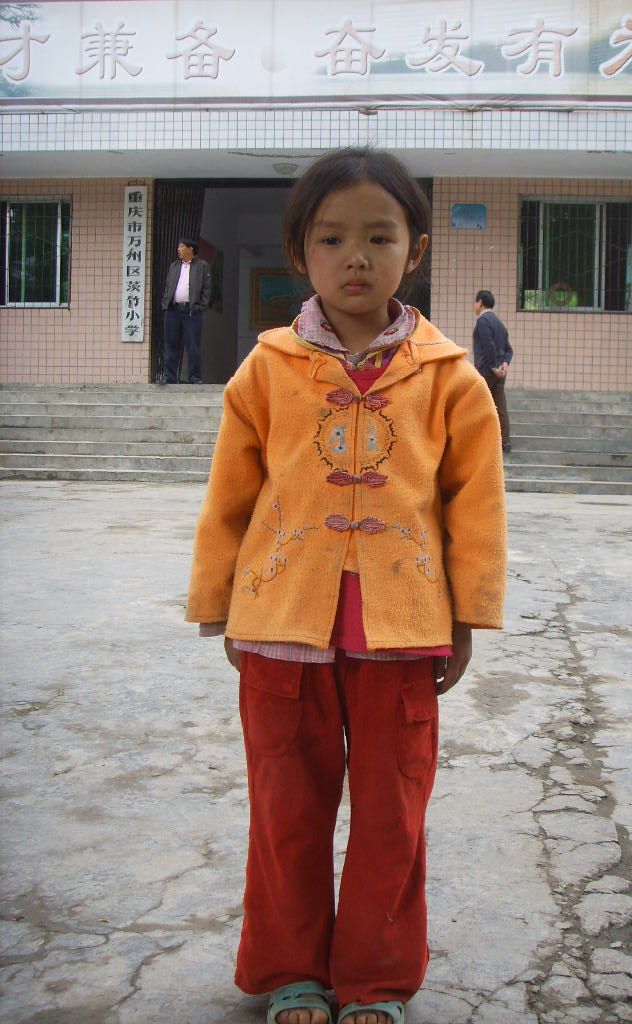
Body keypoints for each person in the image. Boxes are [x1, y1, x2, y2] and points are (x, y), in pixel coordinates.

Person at [185, 148, 507, 1024]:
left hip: (403, 632)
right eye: (331, 238)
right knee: (285, 809)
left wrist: (467, 617)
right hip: (281, 627)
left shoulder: (450, 377)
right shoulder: (266, 369)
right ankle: (292, 969)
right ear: (300, 253)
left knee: (392, 815)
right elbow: (230, 495)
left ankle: (375, 978)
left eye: (379, 237)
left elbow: (475, 505)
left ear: (417, 250)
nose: (355, 257)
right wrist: (219, 606)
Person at [159, 237, 212, 384]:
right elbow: (168, 286)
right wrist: (165, 303)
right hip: (173, 310)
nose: (178, 249)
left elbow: (207, 289)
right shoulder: (174, 266)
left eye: (181, 247)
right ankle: (169, 377)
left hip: (192, 311)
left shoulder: (202, 266)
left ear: (190, 249)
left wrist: (201, 307)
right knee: (171, 343)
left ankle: (194, 377)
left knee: (193, 345)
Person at [472, 290, 513, 452]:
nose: (475, 306)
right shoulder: (499, 323)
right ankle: (505, 442)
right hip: (500, 374)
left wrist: (494, 366)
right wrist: (504, 364)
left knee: (479, 406)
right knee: (501, 407)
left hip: (486, 371)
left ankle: (480, 443)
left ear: (480, 302)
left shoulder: (483, 321)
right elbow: (509, 349)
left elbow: (488, 345)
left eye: (475, 302)